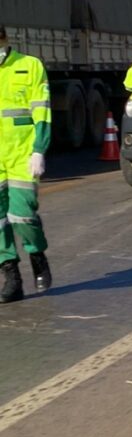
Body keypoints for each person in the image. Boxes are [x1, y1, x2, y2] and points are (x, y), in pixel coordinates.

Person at [0, 24, 53, 303]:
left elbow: (41, 110)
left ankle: (37, 253)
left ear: (4, 38)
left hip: (22, 152)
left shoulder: (30, 66)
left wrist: (38, 149)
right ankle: (11, 275)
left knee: (22, 214)